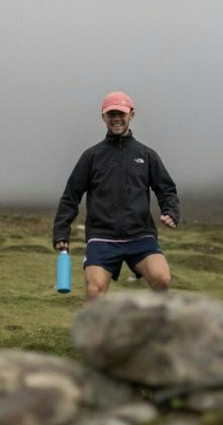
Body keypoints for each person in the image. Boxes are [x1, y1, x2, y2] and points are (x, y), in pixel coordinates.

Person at [52, 91, 180, 301]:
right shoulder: (91, 156)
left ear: (131, 114)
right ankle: (95, 333)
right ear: (103, 117)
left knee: (162, 279)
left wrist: (171, 211)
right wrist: (61, 233)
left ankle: (157, 329)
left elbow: (166, 189)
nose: (116, 119)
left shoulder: (146, 155)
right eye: (111, 114)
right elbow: (70, 196)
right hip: (102, 237)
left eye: (121, 113)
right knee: (95, 290)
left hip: (140, 236)